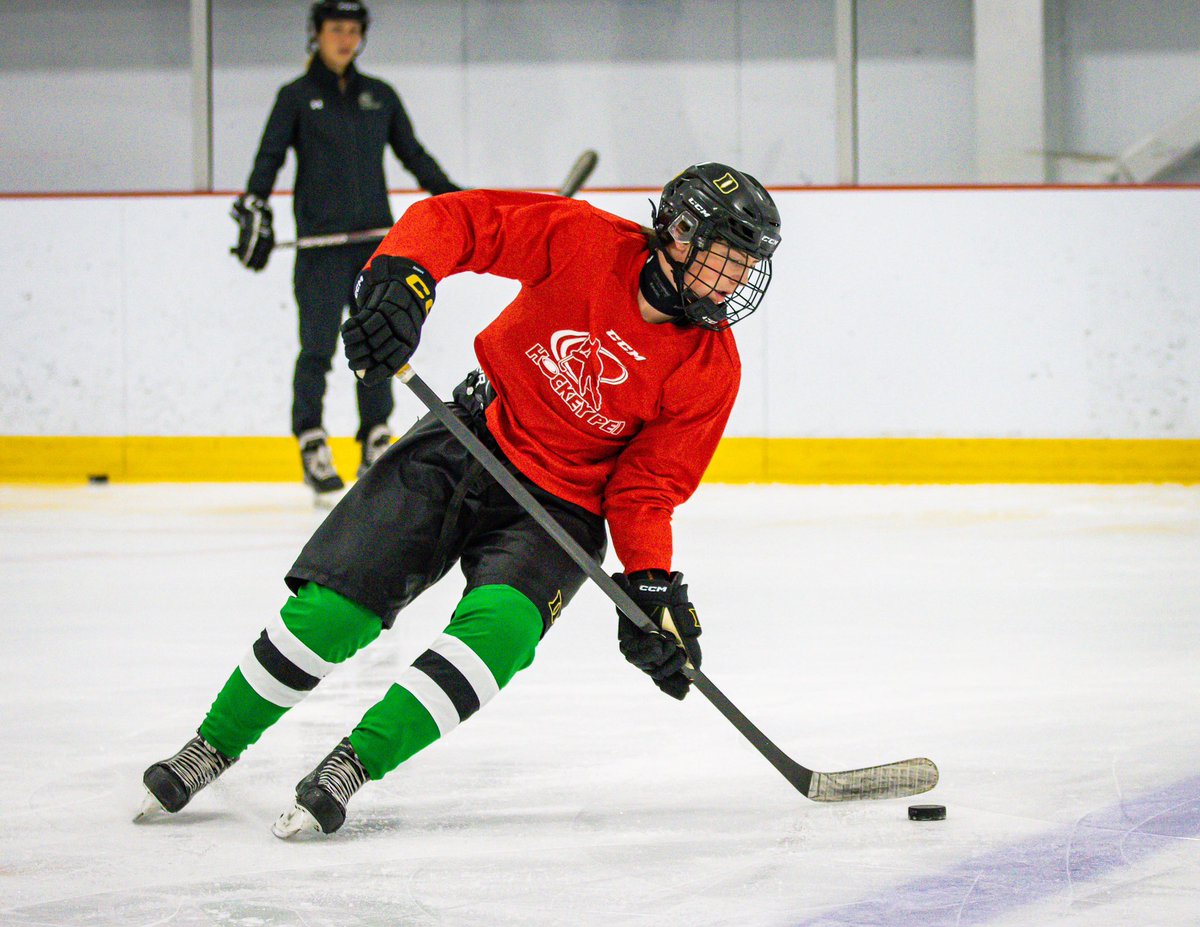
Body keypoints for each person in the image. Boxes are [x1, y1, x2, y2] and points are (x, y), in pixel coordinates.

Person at [138, 162, 782, 838]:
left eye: (747, 266)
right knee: (333, 609)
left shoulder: (711, 368)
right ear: (679, 234)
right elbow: (457, 220)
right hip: (468, 439)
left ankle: (352, 765)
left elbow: (646, 486)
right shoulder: (585, 240)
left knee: (499, 634)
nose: (737, 282)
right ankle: (210, 746)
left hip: (559, 511)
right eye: (728, 258)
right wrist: (402, 278)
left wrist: (649, 583)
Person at [230, 0, 461, 504]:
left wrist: (456, 200)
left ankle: (375, 436)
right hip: (319, 250)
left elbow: (414, 156)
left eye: (354, 30)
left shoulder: (380, 97)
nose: (346, 39)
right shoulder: (295, 97)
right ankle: (312, 439)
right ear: (316, 34)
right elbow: (267, 160)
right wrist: (254, 208)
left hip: (375, 247)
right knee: (317, 348)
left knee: (375, 343)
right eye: (336, 29)